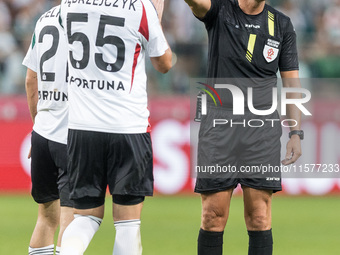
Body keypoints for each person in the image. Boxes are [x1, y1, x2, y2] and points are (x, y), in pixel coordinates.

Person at [184, 0, 303, 254]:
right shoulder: (219, 9)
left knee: (259, 216)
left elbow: (292, 85)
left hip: (261, 130)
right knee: (212, 216)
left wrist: (295, 132)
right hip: (218, 125)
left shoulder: (281, 24)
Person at [59, 0, 172, 254]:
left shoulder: (69, 4)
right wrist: (157, 18)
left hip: (82, 127)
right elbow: (164, 63)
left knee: (85, 218)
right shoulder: (141, 7)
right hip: (127, 127)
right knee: (128, 224)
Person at [23, 5, 74, 255]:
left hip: (42, 133)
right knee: (71, 218)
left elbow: (30, 79)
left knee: (45, 217)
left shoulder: (44, 19)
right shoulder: (87, 15)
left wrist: (36, 127)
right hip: (71, 134)